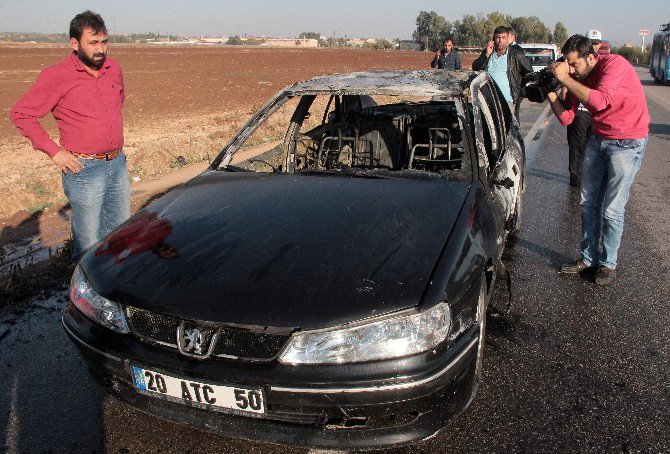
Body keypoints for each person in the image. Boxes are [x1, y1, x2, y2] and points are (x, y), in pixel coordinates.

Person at [10, 11, 130, 262]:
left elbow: (118, 101)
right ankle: (83, 297)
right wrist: (54, 151)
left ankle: (114, 296)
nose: (101, 50)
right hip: (83, 169)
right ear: (74, 44)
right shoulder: (57, 75)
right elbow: (21, 114)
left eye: (104, 42)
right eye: (93, 43)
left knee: (120, 236)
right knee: (88, 244)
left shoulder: (113, 68)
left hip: (117, 164)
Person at [546, 34, 650, 285]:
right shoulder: (578, 77)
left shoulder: (615, 65)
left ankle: (608, 264)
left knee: (612, 208)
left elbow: (601, 101)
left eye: (574, 64)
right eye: (567, 64)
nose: (571, 69)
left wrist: (564, 78)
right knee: (587, 202)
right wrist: (550, 94)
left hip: (627, 141)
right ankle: (588, 258)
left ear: (591, 57)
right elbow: (567, 119)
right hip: (600, 138)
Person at [560, 30, 603, 188]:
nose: (594, 45)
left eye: (596, 43)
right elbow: (565, 117)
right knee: (576, 145)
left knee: (591, 147)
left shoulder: (607, 67)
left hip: (596, 116)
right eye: (592, 42)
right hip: (580, 113)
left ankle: (587, 176)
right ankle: (576, 177)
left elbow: (599, 102)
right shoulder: (577, 68)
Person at [472, 26, 532, 120]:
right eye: (498, 38)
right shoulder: (488, 52)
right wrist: (486, 55)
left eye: (503, 38)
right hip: (488, 100)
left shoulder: (516, 55)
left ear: (508, 39)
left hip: (507, 100)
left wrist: (519, 87)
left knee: (508, 130)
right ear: (493, 39)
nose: (500, 41)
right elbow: (475, 68)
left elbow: (529, 73)